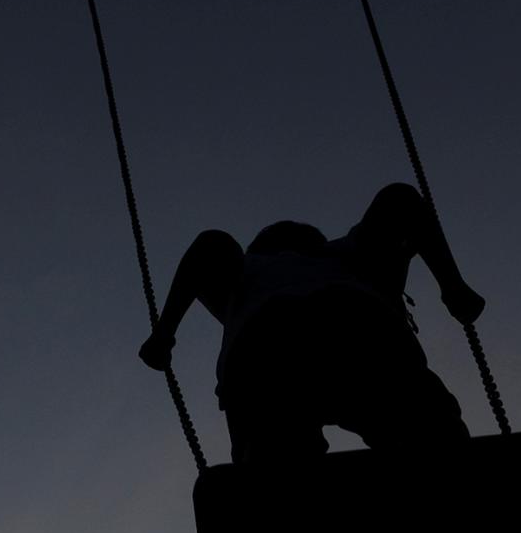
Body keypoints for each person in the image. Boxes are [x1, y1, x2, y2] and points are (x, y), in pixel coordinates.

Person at [137, 182, 484, 464]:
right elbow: (402, 199)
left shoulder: (248, 270)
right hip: (363, 335)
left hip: (269, 348)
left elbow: (209, 246)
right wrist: (453, 289)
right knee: (428, 432)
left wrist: (165, 334)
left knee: (275, 455)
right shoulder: (348, 252)